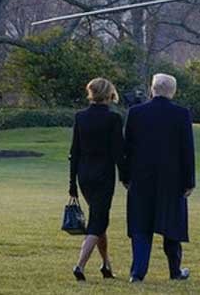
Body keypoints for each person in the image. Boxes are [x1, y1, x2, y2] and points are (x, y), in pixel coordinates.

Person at [122, 73, 195, 282]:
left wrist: (125, 176)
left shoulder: (135, 113)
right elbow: (187, 150)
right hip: (173, 180)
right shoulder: (181, 114)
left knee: (140, 226)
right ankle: (175, 270)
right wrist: (189, 181)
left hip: (141, 178)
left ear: (152, 88)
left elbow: (127, 147)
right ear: (173, 91)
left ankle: (137, 273)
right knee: (171, 225)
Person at [68, 77, 125, 281]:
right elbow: (118, 152)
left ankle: (106, 265)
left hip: (84, 175)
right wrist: (125, 177)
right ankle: (80, 265)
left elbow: (74, 151)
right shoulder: (113, 119)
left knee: (98, 219)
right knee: (99, 221)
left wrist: (72, 183)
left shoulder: (80, 117)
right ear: (109, 94)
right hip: (103, 175)